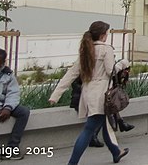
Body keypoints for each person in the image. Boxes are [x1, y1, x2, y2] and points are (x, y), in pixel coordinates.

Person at [49, 21, 129, 165]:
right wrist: (123, 63)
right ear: (104, 35)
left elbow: (71, 74)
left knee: (105, 123)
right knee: (89, 129)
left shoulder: (86, 50)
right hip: (102, 94)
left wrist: (55, 95)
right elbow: (111, 71)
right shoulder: (106, 49)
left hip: (88, 94)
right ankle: (72, 163)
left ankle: (116, 152)